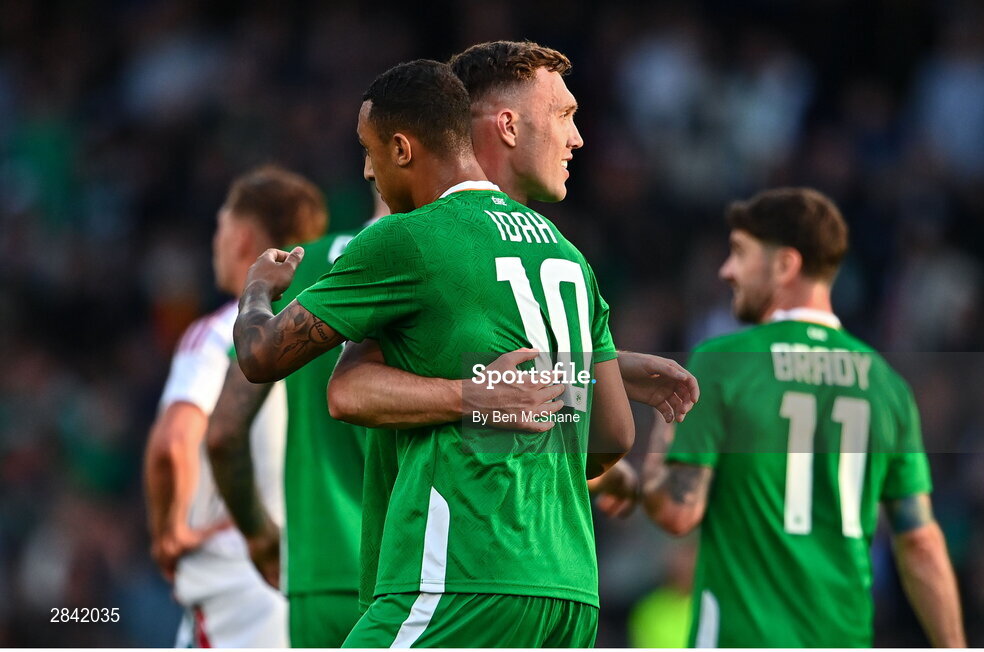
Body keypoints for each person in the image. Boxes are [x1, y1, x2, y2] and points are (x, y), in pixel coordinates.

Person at [207, 41, 697, 644]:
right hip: (569, 587)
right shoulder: (570, 259)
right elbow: (612, 435)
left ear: (402, 148)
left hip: (456, 571)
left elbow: (271, 363)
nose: (366, 171)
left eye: (369, 152)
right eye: (567, 116)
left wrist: (256, 290)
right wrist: (597, 375)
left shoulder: (408, 241)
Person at [642, 187, 966, 647]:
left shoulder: (723, 363)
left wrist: (660, 444)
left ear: (785, 265)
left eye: (740, 254)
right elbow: (920, 542)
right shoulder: (886, 384)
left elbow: (678, 512)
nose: (726, 271)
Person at [142, 165, 327, 647]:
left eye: (220, 226)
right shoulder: (330, 333)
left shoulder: (220, 332)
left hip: (236, 579)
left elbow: (173, 441)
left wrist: (169, 531)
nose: (214, 242)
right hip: (313, 574)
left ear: (244, 238)